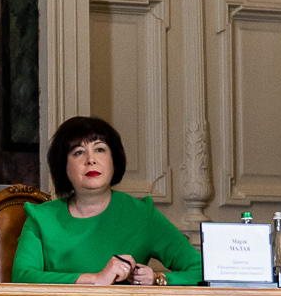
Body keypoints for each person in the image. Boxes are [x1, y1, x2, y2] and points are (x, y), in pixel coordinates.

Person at [11, 114, 204, 285]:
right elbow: (22, 276)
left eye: (100, 149)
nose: (91, 159)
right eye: (78, 152)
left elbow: (201, 270)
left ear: (114, 161)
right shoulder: (41, 218)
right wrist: (96, 279)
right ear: (64, 167)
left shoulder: (141, 215)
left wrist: (158, 278)